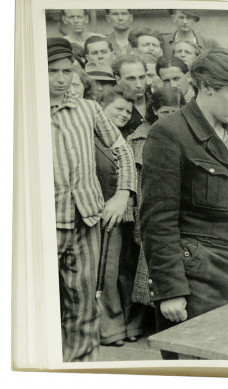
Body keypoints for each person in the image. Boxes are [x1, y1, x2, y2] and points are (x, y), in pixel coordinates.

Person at [140, 48, 228, 359]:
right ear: (207, 87)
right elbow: (158, 219)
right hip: (196, 280)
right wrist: (171, 291)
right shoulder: (169, 133)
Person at [48, 38, 136, 362]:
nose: (61, 78)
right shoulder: (23, 113)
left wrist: (122, 194)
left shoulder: (88, 109)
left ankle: (80, 370)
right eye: (52, 71)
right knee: (38, 305)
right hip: (44, 225)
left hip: (87, 221)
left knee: (84, 306)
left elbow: (121, 149)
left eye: (67, 71)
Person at [127, 86, 186, 307]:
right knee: (150, 262)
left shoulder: (186, 135)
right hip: (148, 207)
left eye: (174, 112)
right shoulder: (139, 138)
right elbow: (133, 180)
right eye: (164, 113)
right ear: (154, 111)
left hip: (178, 207)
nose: (169, 118)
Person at [96, 87, 146, 347]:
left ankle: (133, 324)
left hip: (134, 213)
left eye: (129, 110)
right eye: (118, 109)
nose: (125, 115)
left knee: (131, 268)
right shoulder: (93, 136)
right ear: (101, 107)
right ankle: (112, 328)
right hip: (107, 212)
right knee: (109, 271)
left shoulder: (133, 136)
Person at [113, 55, 148, 138]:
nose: (139, 85)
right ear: (118, 80)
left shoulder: (157, 101)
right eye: (131, 79)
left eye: (142, 77)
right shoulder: (111, 107)